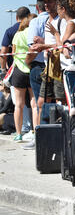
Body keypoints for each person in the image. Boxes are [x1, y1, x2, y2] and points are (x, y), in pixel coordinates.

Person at [30, 0, 67, 114]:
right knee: (41, 101)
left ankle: (62, 130)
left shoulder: (61, 21)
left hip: (60, 67)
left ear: (57, 2)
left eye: (49, 1)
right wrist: (42, 42)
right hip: (49, 67)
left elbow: (63, 45)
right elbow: (51, 41)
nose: (46, 4)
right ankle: (44, 129)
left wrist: (43, 46)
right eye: (44, 2)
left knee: (60, 101)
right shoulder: (47, 21)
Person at [10, 14, 38, 144]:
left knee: (19, 105)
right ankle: (34, 131)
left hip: (19, 71)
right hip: (31, 68)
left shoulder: (17, 34)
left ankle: (19, 134)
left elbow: (13, 52)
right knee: (34, 104)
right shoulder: (33, 35)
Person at [46, 0, 75, 66]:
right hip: (73, 65)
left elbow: (61, 48)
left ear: (63, 9)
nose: (57, 11)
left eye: (58, 9)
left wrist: (55, 33)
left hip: (72, 66)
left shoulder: (71, 23)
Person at [1, 7, 30, 75]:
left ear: (16, 17)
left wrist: (3, 69)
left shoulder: (9, 31)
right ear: (29, 17)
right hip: (31, 66)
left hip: (15, 68)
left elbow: (4, 52)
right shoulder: (32, 30)